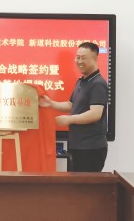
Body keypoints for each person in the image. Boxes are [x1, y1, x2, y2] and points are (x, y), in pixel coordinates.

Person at [40, 42, 108, 172]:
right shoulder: (82, 81)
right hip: (78, 145)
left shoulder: (98, 83)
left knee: (85, 184)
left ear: (95, 58)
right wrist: (51, 104)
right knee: (76, 183)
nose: (79, 61)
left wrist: (69, 119)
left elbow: (95, 113)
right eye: (78, 57)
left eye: (83, 58)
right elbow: (71, 105)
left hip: (91, 148)